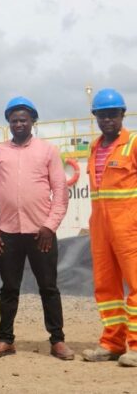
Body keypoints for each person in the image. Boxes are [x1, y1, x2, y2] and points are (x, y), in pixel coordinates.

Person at [0, 97, 74, 360]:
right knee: (9, 288)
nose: (19, 123)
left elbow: (60, 192)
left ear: (33, 121)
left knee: (48, 287)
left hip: (40, 233)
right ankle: (5, 340)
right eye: (14, 120)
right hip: (8, 233)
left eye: (24, 119)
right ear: (8, 123)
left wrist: (50, 225)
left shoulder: (47, 151)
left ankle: (57, 340)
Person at [82, 88, 137, 367]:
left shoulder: (134, 143)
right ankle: (113, 342)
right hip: (101, 228)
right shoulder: (94, 147)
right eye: (102, 116)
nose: (107, 120)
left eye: (112, 115)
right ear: (95, 117)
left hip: (130, 227)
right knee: (106, 287)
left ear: (122, 115)